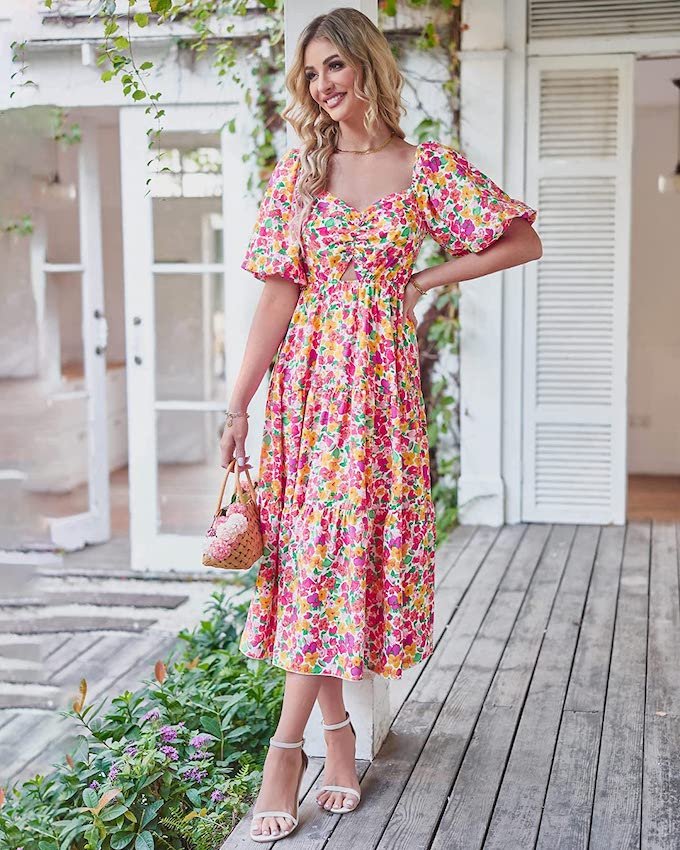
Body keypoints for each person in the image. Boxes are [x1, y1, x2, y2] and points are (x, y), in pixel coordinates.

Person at [219, 6, 542, 843]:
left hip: (381, 399)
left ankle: (314, 747)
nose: (324, 85)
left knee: (340, 564)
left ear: (367, 66)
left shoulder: (424, 167)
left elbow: (519, 241)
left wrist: (427, 276)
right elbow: (277, 296)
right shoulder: (299, 174)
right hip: (308, 393)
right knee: (315, 562)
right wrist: (237, 406)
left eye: (337, 66)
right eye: (313, 72)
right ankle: (307, 747)